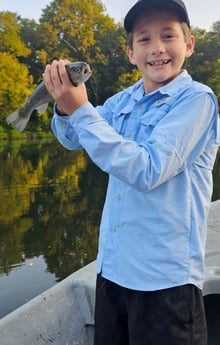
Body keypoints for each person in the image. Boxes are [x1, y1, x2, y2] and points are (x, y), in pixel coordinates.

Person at [43, 0, 220, 344]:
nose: (156, 48)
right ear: (130, 52)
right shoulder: (122, 101)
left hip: (165, 282)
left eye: (168, 35)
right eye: (143, 39)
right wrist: (65, 108)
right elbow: (72, 139)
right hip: (112, 274)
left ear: (189, 44)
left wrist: (81, 110)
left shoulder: (198, 100)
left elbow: (147, 169)